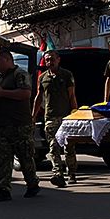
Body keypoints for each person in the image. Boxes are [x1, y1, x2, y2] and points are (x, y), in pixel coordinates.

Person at [0, 48, 39, 202]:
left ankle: (32, 184)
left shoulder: (20, 74)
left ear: (6, 60)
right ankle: (3, 189)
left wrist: (3, 93)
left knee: (25, 157)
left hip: (20, 125)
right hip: (4, 125)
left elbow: (26, 94)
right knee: (4, 158)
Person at [33, 49, 77, 187]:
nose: (49, 62)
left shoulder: (66, 75)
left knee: (69, 146)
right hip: (50, 117)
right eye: (47, 60)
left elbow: (72, 96)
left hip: (66, 117)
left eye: (52, 59)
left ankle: (72, 173)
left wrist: (75, 113)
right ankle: (58, 174)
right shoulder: (43, 77)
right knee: (53, 146)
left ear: (58, 60)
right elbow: (39, 97)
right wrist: (33, 116)